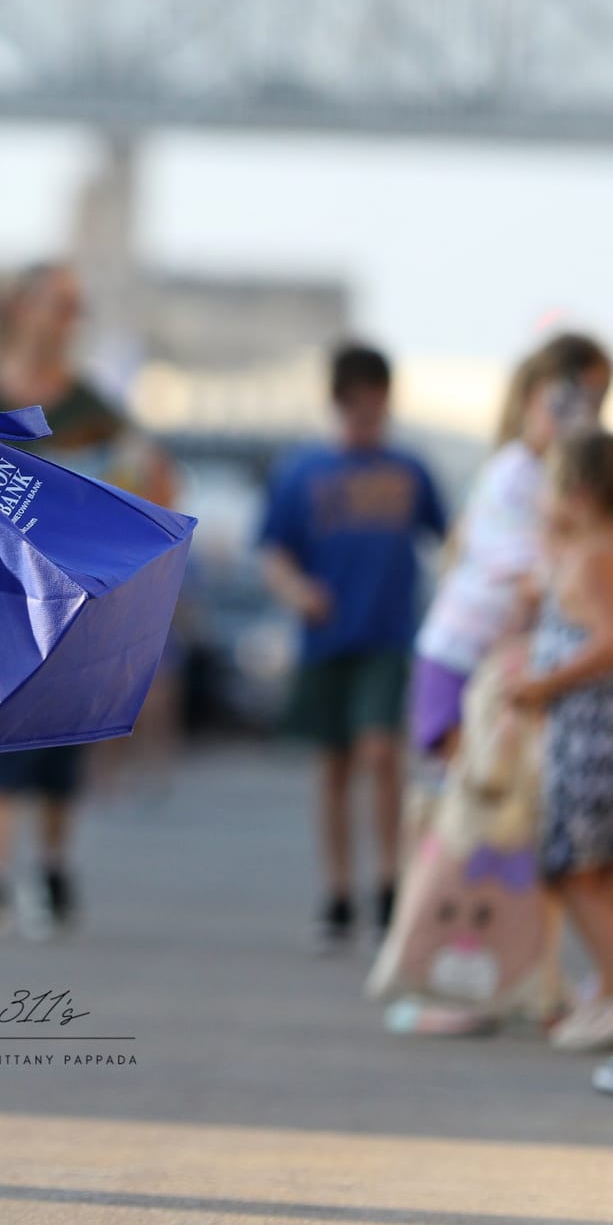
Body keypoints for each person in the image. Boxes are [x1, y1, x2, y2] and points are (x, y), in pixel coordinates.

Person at [0, 261, 174, 939]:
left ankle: (50, 870)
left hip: (72, 604)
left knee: (56, 746)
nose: (67, 320)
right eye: (57, 304)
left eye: (75, 308)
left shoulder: (93, 412)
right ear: (21, 309)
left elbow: (151, 486)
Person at [258, 344, 446, 951]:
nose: (368, 417)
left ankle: (390, 885)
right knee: (334, 766)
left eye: (377, 405)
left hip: (388, 635)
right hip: (325, 638)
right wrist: (297, 591)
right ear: (339, 402)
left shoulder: (409, 471)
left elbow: (450, 537)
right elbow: (273, 550)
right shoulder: (302, 471)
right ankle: (338, 893)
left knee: (381, 753)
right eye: (358, 405)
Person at [509, 431, 613, 1053]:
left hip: (600, 740)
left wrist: (542, 685)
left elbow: (612, 642)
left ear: (576, 493)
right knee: (601, 871)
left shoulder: (601, 553)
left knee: (573, 869)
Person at [410, 333, 613, 756]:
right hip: (464, 657)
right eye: (565, 401)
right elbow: (533, 580)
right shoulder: (514, 474)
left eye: (594, 402)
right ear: (529, 399)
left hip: (507, 661)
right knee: (471, 789)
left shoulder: (556, 481)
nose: (580, 418)